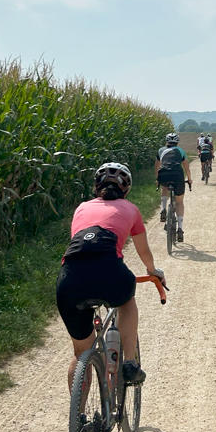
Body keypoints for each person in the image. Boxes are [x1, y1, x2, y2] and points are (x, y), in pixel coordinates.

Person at [56, 162, 165, 392]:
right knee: (126, 301)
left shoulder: (82, 208)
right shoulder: (131, 209)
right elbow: (143, 251)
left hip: (69, 279)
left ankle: (79, 418)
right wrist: (153, 271)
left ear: (97, 187)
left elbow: (79, 244)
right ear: (126, 189)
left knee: (80, 354)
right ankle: (129, 363)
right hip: (110, 273)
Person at [156, 132, 192, 242]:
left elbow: (157, 167)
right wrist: (189, 179)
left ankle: (163, 208)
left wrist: (157, 179)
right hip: (177, 176)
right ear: (177, 142)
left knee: (165, 186)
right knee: (179, 202)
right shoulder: (181, 151)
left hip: (164, 175)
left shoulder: (160, 150)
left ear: (167, 141)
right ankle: (180, 228)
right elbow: (186, 168)